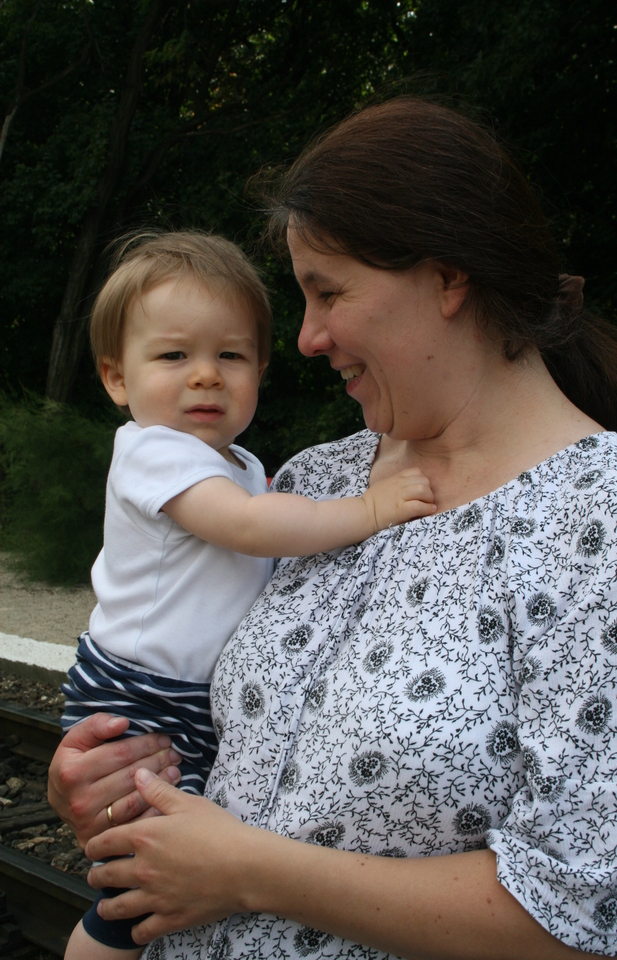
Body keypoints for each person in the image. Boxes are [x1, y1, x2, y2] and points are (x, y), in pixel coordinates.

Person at [48, 99, 617, 960]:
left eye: (328, 292)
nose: (306, 338)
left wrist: (249, 872)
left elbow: (589, 913)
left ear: (448, 277)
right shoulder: (316, 480)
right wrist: (109, 784)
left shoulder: (605, 520)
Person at [60, 230, 435, 960]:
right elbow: (249, 528)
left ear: (260, 369)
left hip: (181, 697)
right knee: (143, 883)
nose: (205, 375)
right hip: (138, 694)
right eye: (174, 356)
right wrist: (371, 510)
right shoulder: (154, 451)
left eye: (230, 356)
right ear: (116, 378)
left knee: (164, 876)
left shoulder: (238, 462)